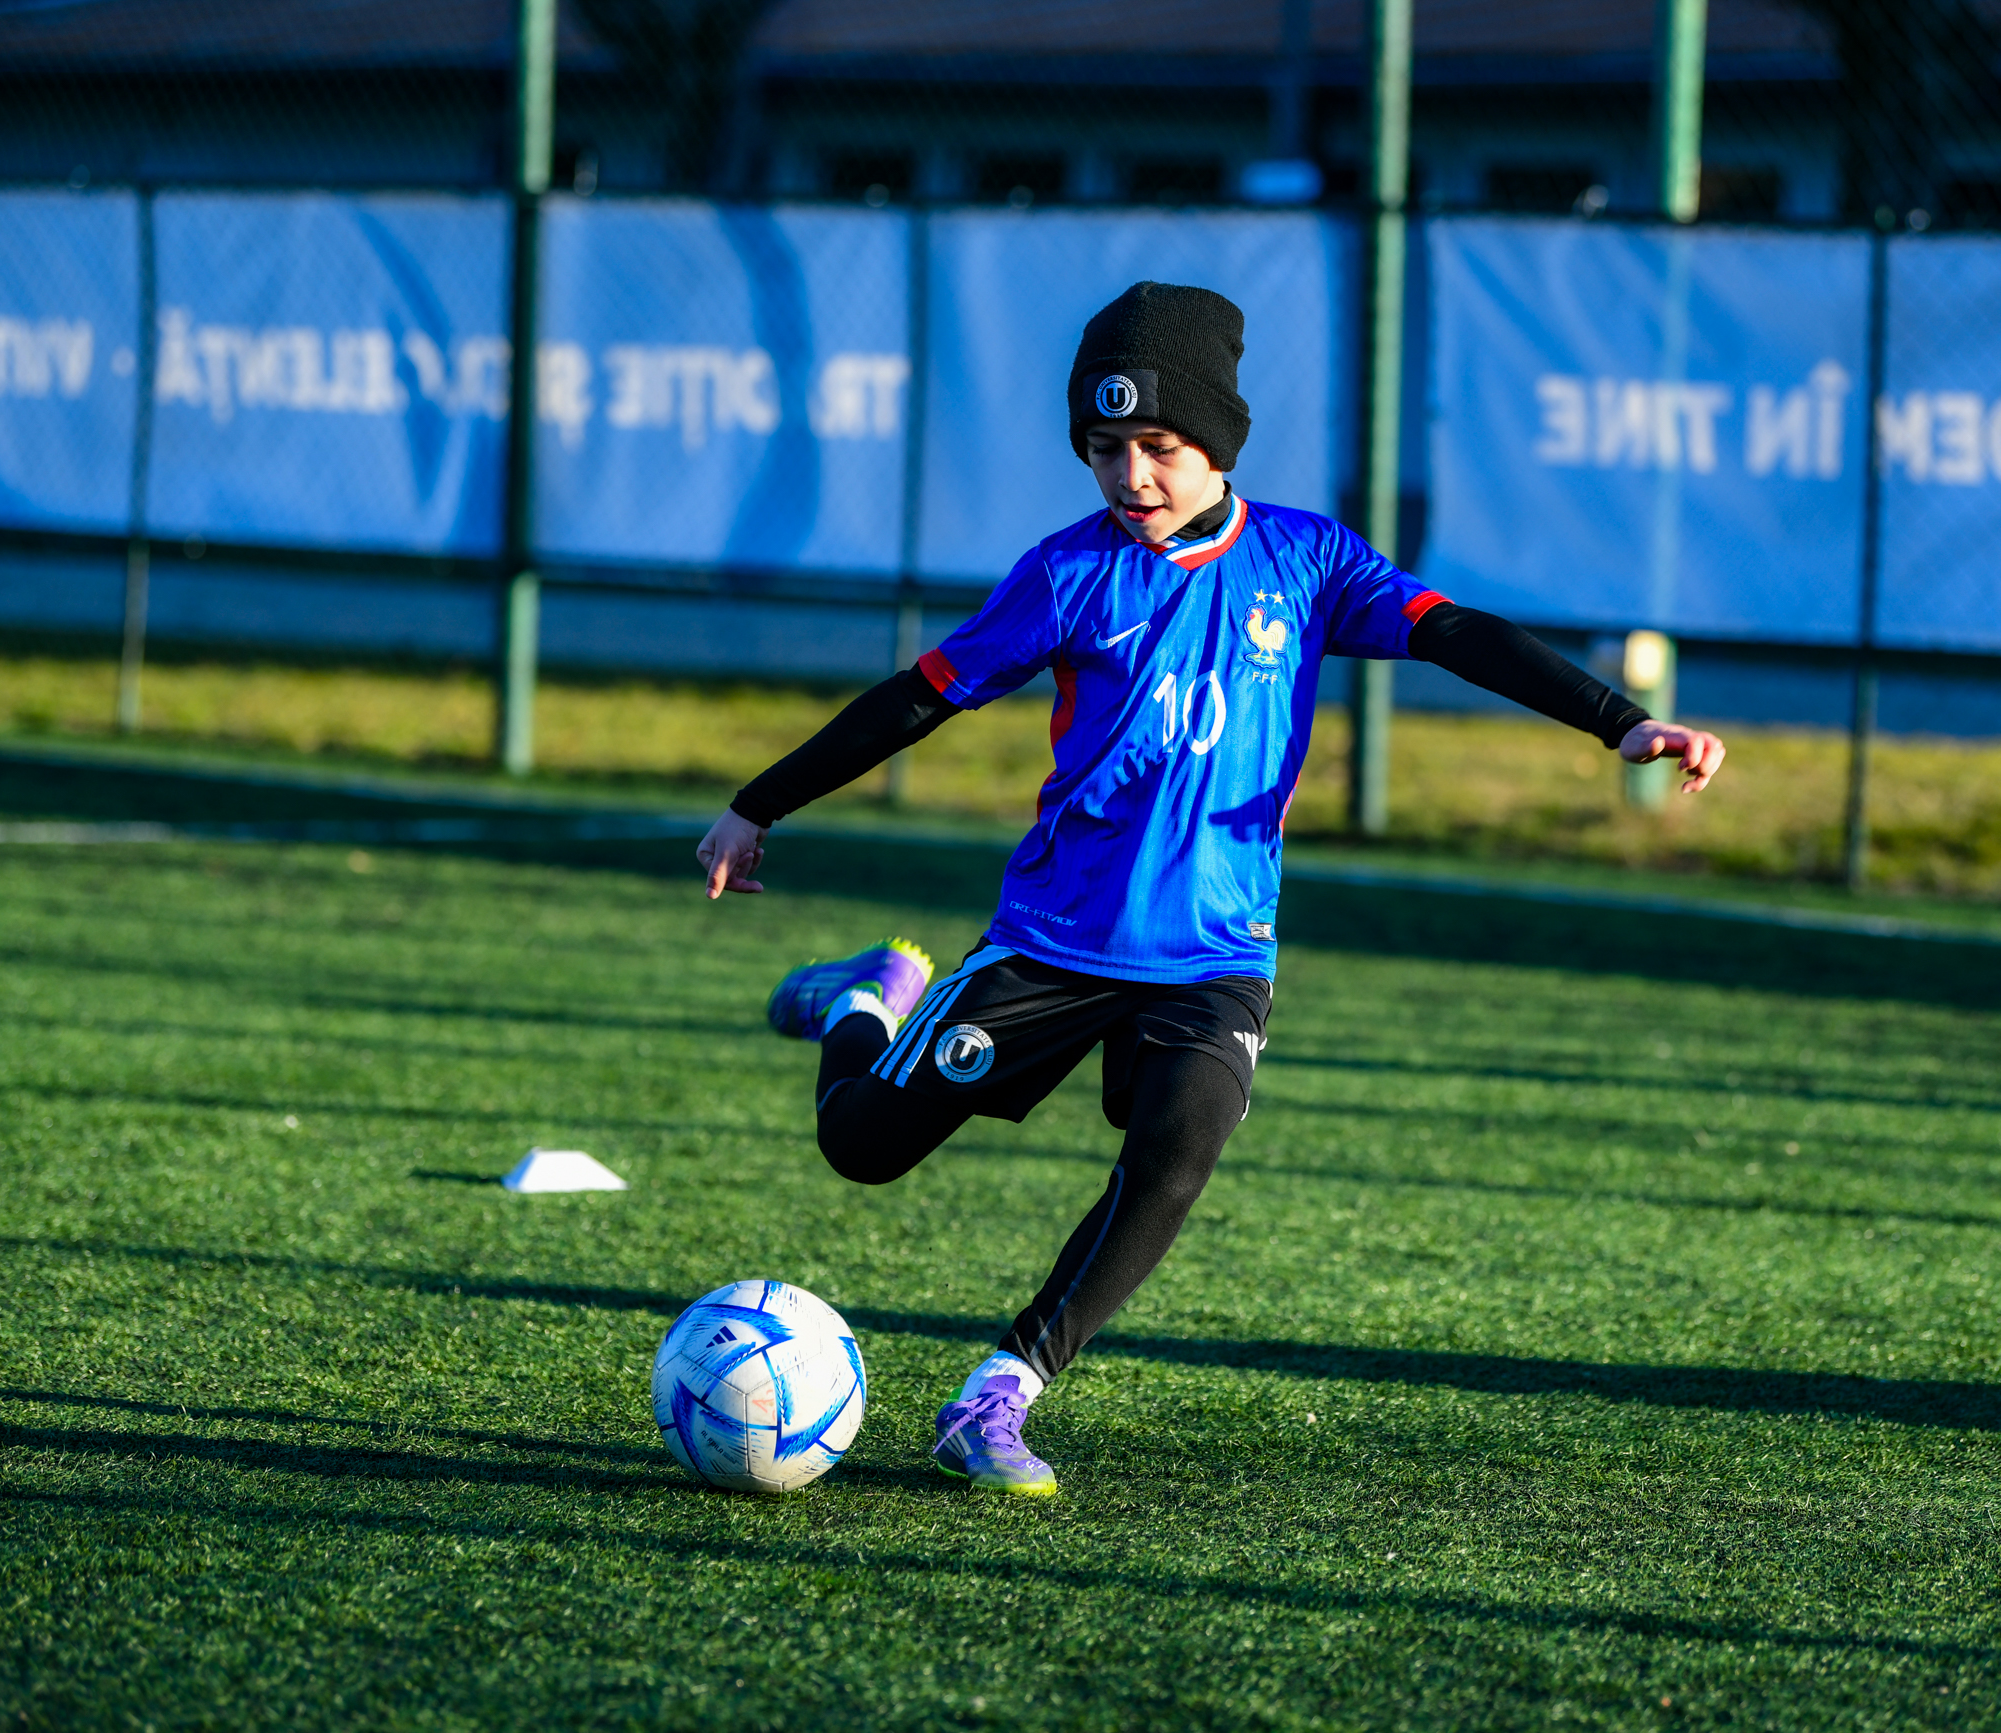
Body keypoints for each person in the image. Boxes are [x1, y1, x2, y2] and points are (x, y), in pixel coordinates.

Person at [695, 281, 1724, 1496]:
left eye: (1157, 446)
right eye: (1103, 448)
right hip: (1053, 940)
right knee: (861, 1148)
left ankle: (1000, 1390)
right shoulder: (1066, 575)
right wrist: (758, 801)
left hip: (1211, 953)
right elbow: (920, 694)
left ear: (1218, 443)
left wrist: (1617, 722)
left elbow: (1456, 633)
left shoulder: (1308, 561)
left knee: (1179, 1142)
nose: (1130, 474)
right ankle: (861, 1000)